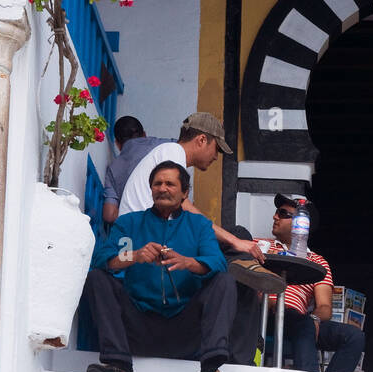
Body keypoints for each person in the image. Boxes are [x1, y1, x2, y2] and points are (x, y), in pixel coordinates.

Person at [83, 161, 237, 372]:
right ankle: (118, 364)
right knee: (97, 277)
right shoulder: (130, 223)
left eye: (170, 184)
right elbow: (104, 258)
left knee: (224, 280)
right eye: (157, 183)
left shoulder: (199, 225)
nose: (162, 188)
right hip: (137, 328)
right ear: (151, 189)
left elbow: (217, 262)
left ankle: (209, 370)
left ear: (185, 192)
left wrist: (188, 262)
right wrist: (134, 256)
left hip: (185, 332)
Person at [117, 112, 273, 276]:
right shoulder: (173, 151)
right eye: (216, 149)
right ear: (202, 140)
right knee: (235, 239)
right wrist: (235, 242)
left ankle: (247, 276)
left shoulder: (171, 155)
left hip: (156, 234)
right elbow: (186, 208)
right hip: (145, 241)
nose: (215, 157)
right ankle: (246, 279)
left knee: (229, 243)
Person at [265, 196, 365, 372]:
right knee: (302, 322)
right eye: (277, 211)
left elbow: (325, 307)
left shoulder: (317, 262)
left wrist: (315, 319)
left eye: (282, 213)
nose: (275, 217)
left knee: (354, 336)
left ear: (302, 224)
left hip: (298, 321)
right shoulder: (261, 245)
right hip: (264, 313)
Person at [102, 116, 171, 224]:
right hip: (169, 222)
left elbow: (109, 215)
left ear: (117, 144)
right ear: (144, 134)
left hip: (138, 230)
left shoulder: (113, 169)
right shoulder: (163, 146)